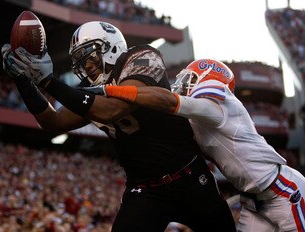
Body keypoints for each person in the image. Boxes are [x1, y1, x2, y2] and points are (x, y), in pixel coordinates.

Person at [1, 21, 236, 231]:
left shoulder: (142, 58)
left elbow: (111, 108)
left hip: (189, 179)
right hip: (145, 191)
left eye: (88, 55)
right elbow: (52, 122)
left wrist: (48, 81)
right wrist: (22, 79)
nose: (85, 65)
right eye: (79, 61)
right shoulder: (90, 91)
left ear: (109, 46)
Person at [91, 58, 305, 231]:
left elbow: (173, 103)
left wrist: (112, 90)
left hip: (282, 190)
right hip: (252, 200)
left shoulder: (220, 105)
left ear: (208, 80)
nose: (182, 83)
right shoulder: (195, 122)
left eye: (190, 78)